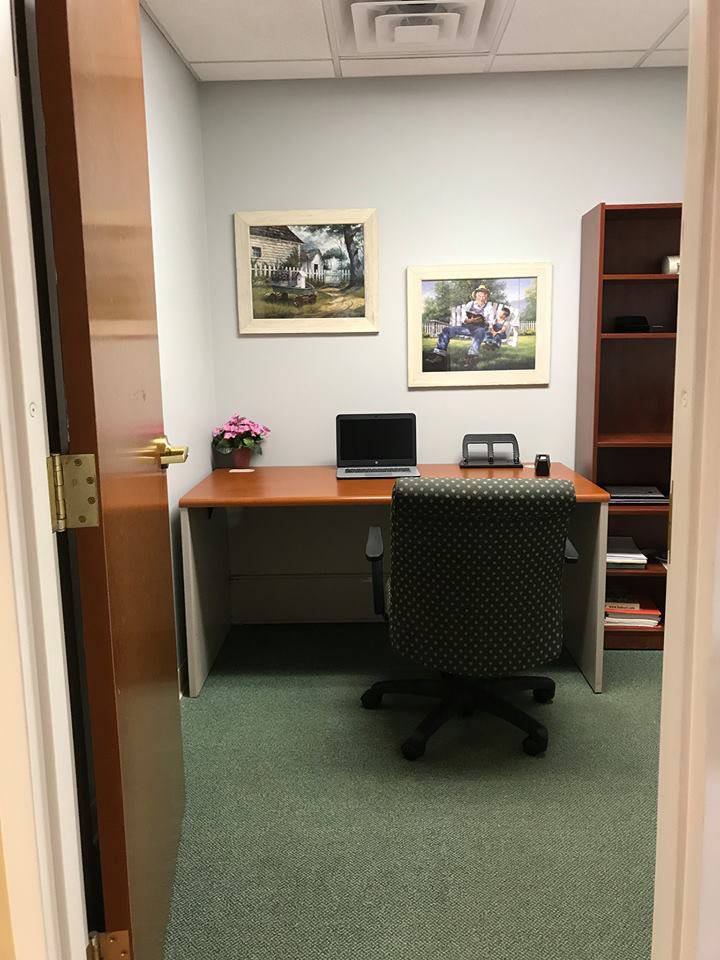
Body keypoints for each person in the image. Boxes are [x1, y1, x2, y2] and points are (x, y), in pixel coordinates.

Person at [433, 285, 497, 358]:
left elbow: (491, 322)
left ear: (486, 297)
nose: (481, 298)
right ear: (476, 296)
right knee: (447, 330)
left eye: (483, 296)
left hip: (479, 329)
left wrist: (484, 321)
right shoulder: (470, 304)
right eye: (479, 296)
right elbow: (464, 317)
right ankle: (440, 353)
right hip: (467, 327)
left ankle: (472, 355)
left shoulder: (489, 307)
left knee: (481, 330)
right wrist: (468, 320)